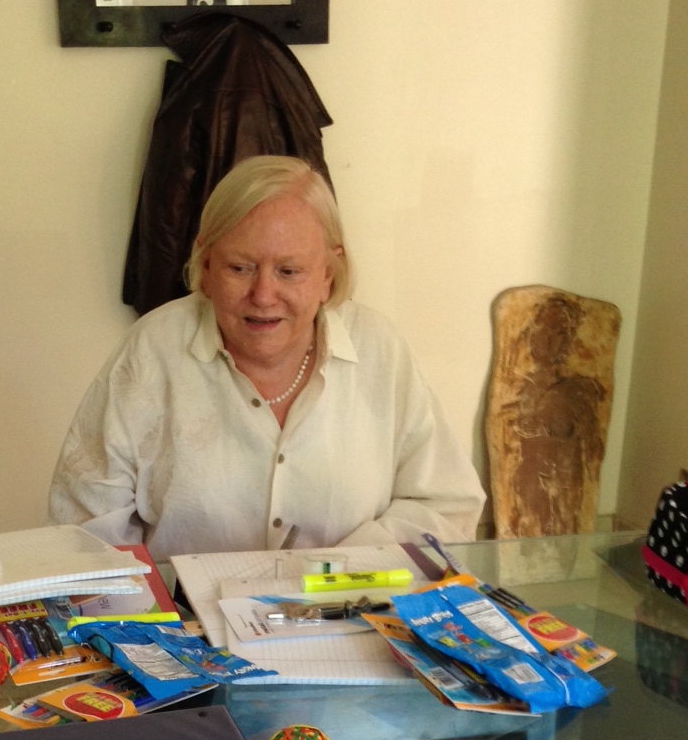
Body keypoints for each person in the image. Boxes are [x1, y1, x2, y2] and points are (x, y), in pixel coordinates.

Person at [48, 156, 485, 556]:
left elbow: (445, 505)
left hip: (353, 606)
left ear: (328, 274)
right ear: (206, 265)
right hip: (182, 616)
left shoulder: (380, 349)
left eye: (289, 271)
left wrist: (334, 570)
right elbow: (87, 528)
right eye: (240, 268)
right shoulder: (151, 351)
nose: (263, 295)